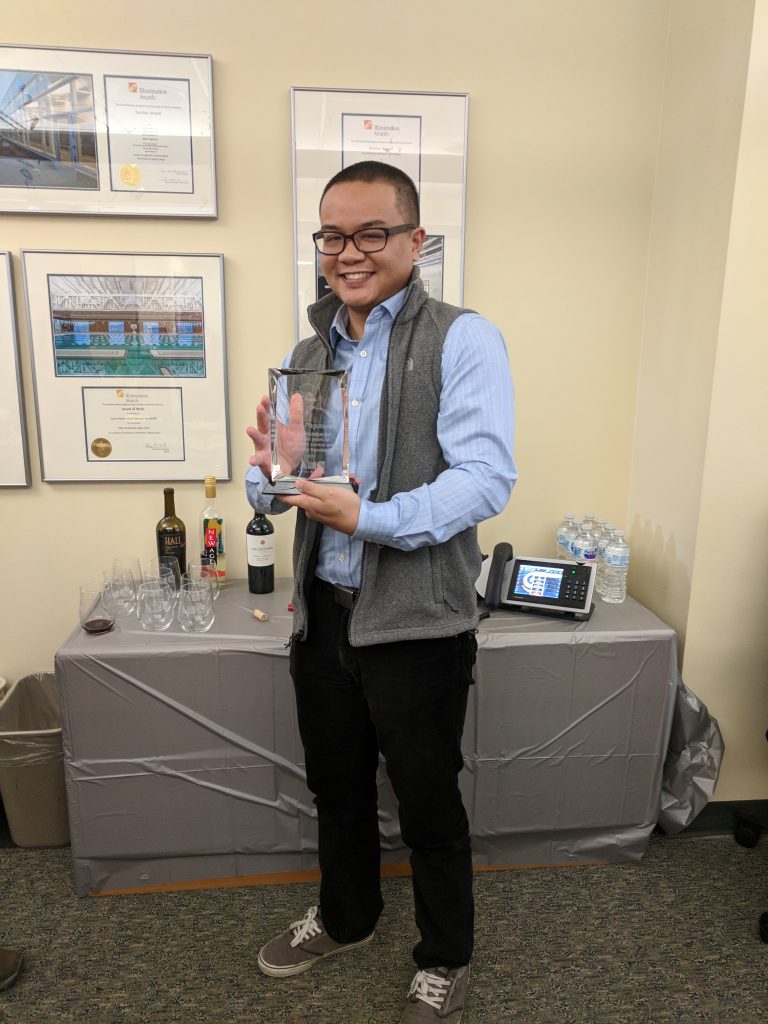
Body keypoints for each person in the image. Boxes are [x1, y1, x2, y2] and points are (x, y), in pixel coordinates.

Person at [246, 160, 516, 1022]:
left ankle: (445, 957)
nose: (348, 253)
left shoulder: (461, 338)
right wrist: (263, 478)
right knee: (339, 789)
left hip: (419, 626)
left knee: (429, 801)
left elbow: (483, 479)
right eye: (333, 235)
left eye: (371, 233)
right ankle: (348, 915)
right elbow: (292, 485)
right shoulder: (307, 352)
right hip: (324, 619)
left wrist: (370, 518)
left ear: (416, 239)